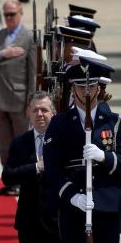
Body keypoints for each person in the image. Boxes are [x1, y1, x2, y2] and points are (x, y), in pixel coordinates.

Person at [44, 56, 121, 243]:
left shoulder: (115, 122)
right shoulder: (59, 124)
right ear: (73, 89)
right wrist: (73, 196)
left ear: (99, 88)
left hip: (107, 205)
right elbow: (52, 168)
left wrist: (105, 157)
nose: (86, 91)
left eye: (91, 86)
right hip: (74, 206)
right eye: (80, 86)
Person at [0, 0, 36, 196]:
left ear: (20, 14)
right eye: (6, 14)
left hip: (20, 99)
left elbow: (34, 73)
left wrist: (31, 101)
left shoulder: (29, 38)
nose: (9, 18)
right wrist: (2, 53)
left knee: (21, 142)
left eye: (12, 14)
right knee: (4, 143)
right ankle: (11, 181)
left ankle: (23, 182)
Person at [2, 91, 59, 243]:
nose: (39, 114)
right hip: (29, 222)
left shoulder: (63, 140)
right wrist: (36, 167)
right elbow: (7, 177)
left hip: (57, 221)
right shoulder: (19, 143)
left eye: (44, 110)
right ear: (28, 113)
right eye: (35, 110)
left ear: (54, 112)